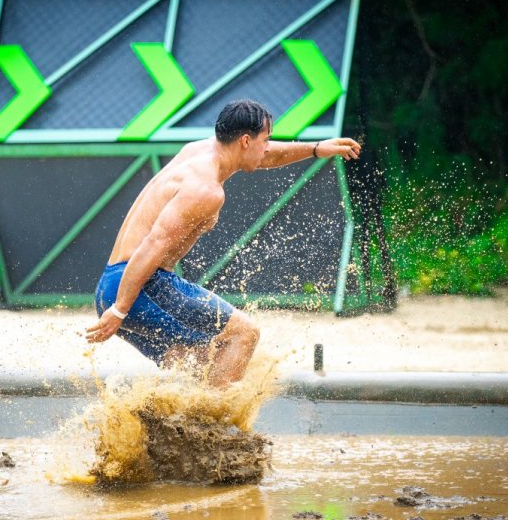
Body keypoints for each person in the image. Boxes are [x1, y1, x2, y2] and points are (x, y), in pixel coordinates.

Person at [86, 99, 361, 387]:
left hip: (115, 284)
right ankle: (214, 429)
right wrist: (120, 310)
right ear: (245, 140)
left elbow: (263, 156)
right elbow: (152, 245)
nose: (268, 146)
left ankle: (162, 426)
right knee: (244, 335)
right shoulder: (205, 189)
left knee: (198, 366)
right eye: (265, 139)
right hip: (139, 287)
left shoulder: (198, 150)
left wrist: (316, 149)